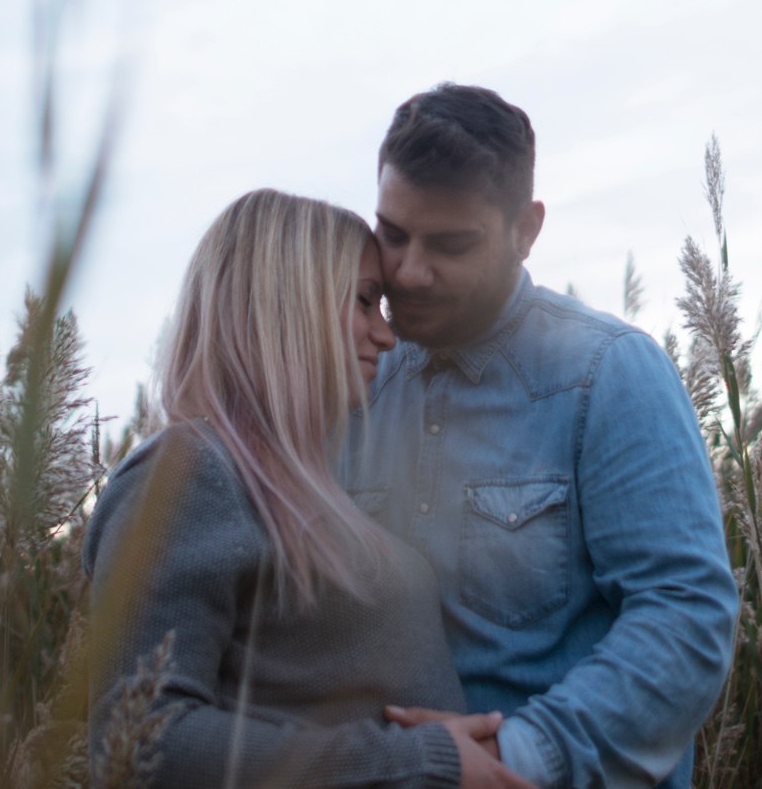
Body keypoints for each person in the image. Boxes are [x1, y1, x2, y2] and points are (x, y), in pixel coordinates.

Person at [345, 85, 739, 789]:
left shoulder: (609, 374)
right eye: (393, 235)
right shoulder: (355, 383)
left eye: (450, 244)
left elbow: (685, 617)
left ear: (526, 231)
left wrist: (513, 758)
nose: (408, 271)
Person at [85, 188, 531, 788]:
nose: (387, 336)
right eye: (365, 302)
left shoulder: (299, 483)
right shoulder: (187, 474)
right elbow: (142, 741)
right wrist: (418, 761)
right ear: (289, 303)